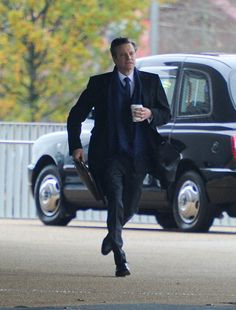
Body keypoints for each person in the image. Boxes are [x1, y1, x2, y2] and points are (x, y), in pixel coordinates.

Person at [67, 37, 171, 277]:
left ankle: (112, 236)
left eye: (132, 54)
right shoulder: (99, 84)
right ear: (114, 58)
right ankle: (120, 259)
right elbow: (75, 116)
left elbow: (166, 114)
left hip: (140, 155)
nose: (129, 59)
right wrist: (75, 146)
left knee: (131, 205)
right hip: (109, 155)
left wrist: (150, 113)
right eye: (123, 55)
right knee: (115, 200)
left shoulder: (150, 82)